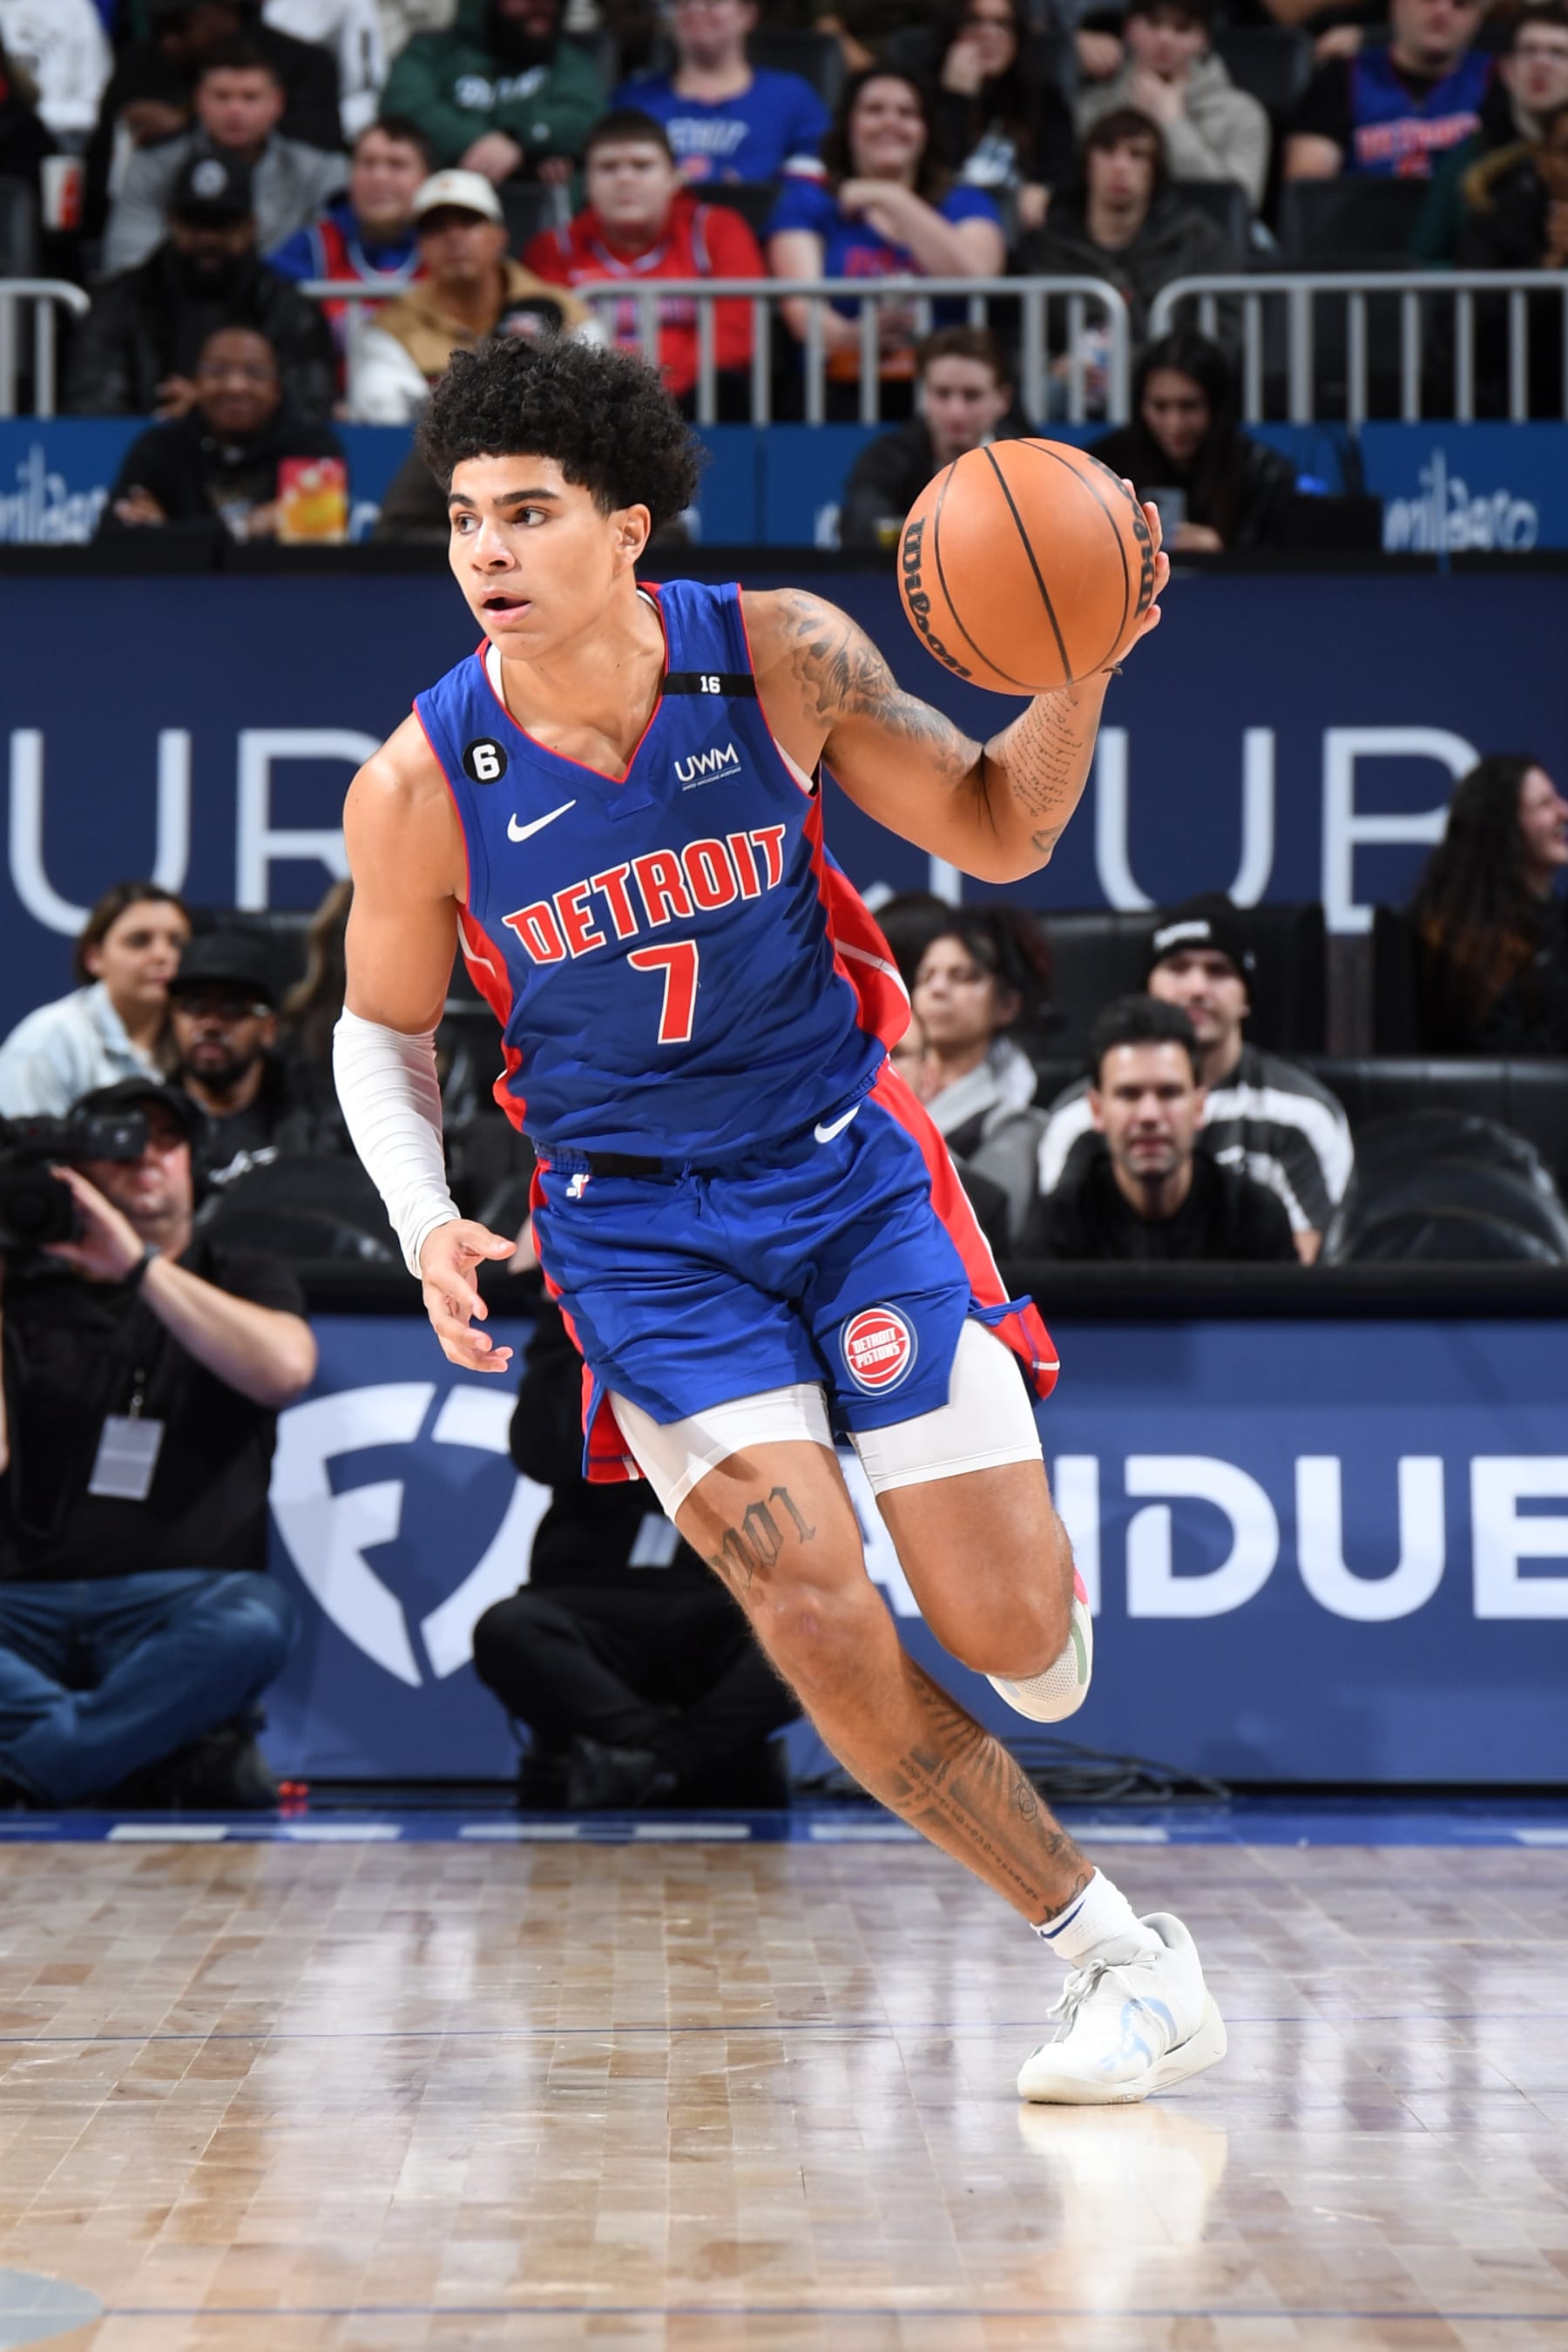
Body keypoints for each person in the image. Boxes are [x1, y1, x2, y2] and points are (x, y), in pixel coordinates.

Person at [331, 329, 1228, 2108]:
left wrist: (1083, 664)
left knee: (1011, 1646)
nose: (487, 553)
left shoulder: (783, 659)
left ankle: (1025, 1601)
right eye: (462, 520)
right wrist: (425, 1213)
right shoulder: (421, 782)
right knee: (812, 1609)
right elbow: (382, 1028)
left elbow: (1000, 828)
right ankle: (1117, 1957)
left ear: (630, 532)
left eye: (529, 514)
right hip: (638, 1238)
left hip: (845, 1169)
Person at [0, 1078, 314, 1809]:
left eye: (165, 1141)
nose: (144, 1158)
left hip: (181, 1606)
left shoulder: (240, 1273)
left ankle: (46, 1760)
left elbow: (284, 1371)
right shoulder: (23, 1291)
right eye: (119, 1141)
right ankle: (114, 1756)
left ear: (192, 1167)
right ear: (75, 1170)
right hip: (22, 1608)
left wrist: (138, 1267)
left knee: (257, 1618)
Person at [471, 1298, 801, 1809]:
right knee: (508, 1630)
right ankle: (690, 1760)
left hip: (717, 1595)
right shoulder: (578, 1323)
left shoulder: (734, 1325)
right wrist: (561, 1315)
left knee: (817, 1632)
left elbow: (769, 1459)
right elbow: (542, 1452)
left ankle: (650, 1765)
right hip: (588, 1598)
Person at [1036, 893, 1354, 1262]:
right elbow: (1057, 1244)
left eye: (1218, 971)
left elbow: (1305, 1278)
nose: (1197, 989)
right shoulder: (1076, 1120)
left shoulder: (1305, 1115)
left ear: (1247, 997)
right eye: (1177, 968)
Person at [766, 68, 1005, 410]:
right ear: (849, 124)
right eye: (874, 110)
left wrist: (891, 197)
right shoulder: (808, 203)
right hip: (837, 390)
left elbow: (976, 276)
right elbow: (803, 312)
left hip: (949, 396)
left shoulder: (966, 201)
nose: (890, 122)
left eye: (907, 113)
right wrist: (857, 336)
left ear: (926, 130)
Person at [67, 151, 338, 422]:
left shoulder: (287, 307)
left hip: (261, 461)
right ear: (171, 222)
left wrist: (220, 410)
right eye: (194, 223)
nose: (208, 239)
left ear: (250, 227)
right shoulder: (121, 301)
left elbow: (312, 410)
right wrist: (171, 430)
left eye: (222, 225)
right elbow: (90, 409)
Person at [523, 108, 765, 411]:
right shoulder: (553, 249)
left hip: (694, 406)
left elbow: (734, 335)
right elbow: (550, 343)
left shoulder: (717, 230)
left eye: (642, 166)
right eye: (608, 168)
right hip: (592, 410)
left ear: (674, 179)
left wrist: (657, 391)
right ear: (587, 184)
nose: (625, 179)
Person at [1027, 997, 1298, 1262]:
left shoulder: (1256, 1217)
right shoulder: (1058, 1226)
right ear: (1097, 1110)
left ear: (1199, 1106)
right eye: (1129, 1094)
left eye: (1169, 1093)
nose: (1150, 1115)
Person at [1013, 109, 1242, 395]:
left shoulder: (1196, 239)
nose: (1121, 166)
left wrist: (1147, 368)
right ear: (1087, 165)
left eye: (1137, 155)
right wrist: (1052, 368)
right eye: (1108, 151)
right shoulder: (1046, 247)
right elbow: (1012, 337)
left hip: (1166, 396)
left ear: (1155, 171)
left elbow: (1223, 333)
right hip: (1066, 395)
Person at [346, 165, 593, 420]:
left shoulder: (564, 310)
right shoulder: (392, 326)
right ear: (421, 246)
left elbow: (590, 401)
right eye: (436, 227)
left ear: (500, 236)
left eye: (468, 222)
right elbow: (386, 410)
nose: (453, 237)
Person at [103, 38, 348, 276]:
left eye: (250, 97)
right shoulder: (152, 166)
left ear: (277, 103)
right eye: (222, 96)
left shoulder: (321, 172)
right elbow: (127, 262)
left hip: (282, 311)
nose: (235, 110)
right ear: (199, 100)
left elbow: (335, 262)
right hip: (173, 311)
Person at [89, 0, 343, 226]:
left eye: (180, 25)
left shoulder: (304, 63)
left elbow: (315, 150)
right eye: (158, 27)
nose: (168, 41)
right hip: (167, 234)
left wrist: (186, 124)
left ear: (224, 9)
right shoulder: (139, 64)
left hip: (281, 222)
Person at [97, 323, 344, 544]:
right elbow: (112, 540)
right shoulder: (160, 447)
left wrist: (169, 533)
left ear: (277, 388)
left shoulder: (313, 449)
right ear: (196, 383)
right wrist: (248, 527)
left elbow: (316, 545)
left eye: (255, 373)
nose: (235, 386)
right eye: (218, 372)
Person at [1409, 753, 1568, 1054]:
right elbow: (1497, 1049)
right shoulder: (1460, 935)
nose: (1564, 812)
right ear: (1503, 824)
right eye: (1544, 804)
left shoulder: (1558, 923)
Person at [910, 909, 1048, 1246]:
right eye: (926, 976)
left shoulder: (1017, 1122)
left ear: (1008, 1006)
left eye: (963, 976)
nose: (938, 989)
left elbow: (991, 1220)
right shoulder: (876, 1086)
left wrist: (903, 1127)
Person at [166, 929, 346, 1189]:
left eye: (233, 1009)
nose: (211, 1025)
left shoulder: (321, 1123)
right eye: (194, 1007)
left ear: (269, 1029)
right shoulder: (152, 1118)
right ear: (173, 1020)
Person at [1090, 331, 1297, 551]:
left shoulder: (1264, 473)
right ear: (1140, 404)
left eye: (1189, 406)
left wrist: (1224, 556)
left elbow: (1276, 577)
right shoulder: (1102, 467)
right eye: (1160, 406)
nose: (1174, 424)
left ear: (1215, 406)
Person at [0, 885, 190, 1120]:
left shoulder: (199, 1040)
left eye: (178, 943)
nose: (163, 954)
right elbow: (22, 1154)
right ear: (95, 957)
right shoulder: (49, 1039)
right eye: (139, 941)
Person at [839, 325, 1031, 551]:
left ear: (1003, 400)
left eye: (972, 396)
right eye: (942, 393)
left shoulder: (1030, 467)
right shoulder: (885, 458)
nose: (956, 412)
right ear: (924, 396)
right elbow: (863, 530)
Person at [267, 115, 431, 371]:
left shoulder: (450, 249)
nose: (379, 177)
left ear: (427, 178)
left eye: (397, 165)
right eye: (367, 164)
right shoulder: (312, 247)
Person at [1074, 0, 1269, 213]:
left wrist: (1174, 124)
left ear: (1204, 40)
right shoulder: (1093, 106)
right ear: (1129, 29)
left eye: (1182, 28)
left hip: (1205, 238)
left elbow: (1239, 206)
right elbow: (1079, 194)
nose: (1165, 39)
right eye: (1153, 24)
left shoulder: (1243, 113)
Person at [612, 0, 830, 186]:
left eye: (712, 2)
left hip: (762, 230)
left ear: (748, 14)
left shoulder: (791, 97)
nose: (695, 9)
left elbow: (811, 183)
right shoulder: (635, 99)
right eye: (683, 2)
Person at [1414, 4, 1568, 262]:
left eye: (1558, 53)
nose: (1541, 64)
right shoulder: (1469, 160)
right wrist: (1476, 275)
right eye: (1529, 51)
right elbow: (1424, 258)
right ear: (1507, 71)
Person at [380, 0, 604, 177]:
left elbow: (586, 117)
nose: (542, 7)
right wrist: (477, 141)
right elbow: (405, 108)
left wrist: (517, 139)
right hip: (441, 198)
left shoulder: (570, 61)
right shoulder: (434, 51)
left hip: (537, 211)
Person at [1284, 0, 1490, 182]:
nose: (1442, 11)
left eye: (1460, 4)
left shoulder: (1497, 79)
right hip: (1360, 219)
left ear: (1478, 19)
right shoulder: (1341, 77)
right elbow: (1309, 193)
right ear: (1396, 4)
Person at [933, 0, 1075, 235]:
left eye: (1002, 24)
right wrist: (956, 101)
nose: (987, 35)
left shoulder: (1042, 98)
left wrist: (1045, 189)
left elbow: (1064, 172)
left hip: (1021, 234)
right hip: (945, 230)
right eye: (974, 22)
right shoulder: (927, 95)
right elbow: (936, 173)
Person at [262, 0, 387, 139]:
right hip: (259, 116)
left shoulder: (351, 5)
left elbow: (363, 86)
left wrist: (347, 130)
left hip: (320, 123)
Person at [0, 0, 110, 144]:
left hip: (71, 128)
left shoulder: (74, 6)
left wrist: (81, 110)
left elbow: (95, 77)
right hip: (12, 128)